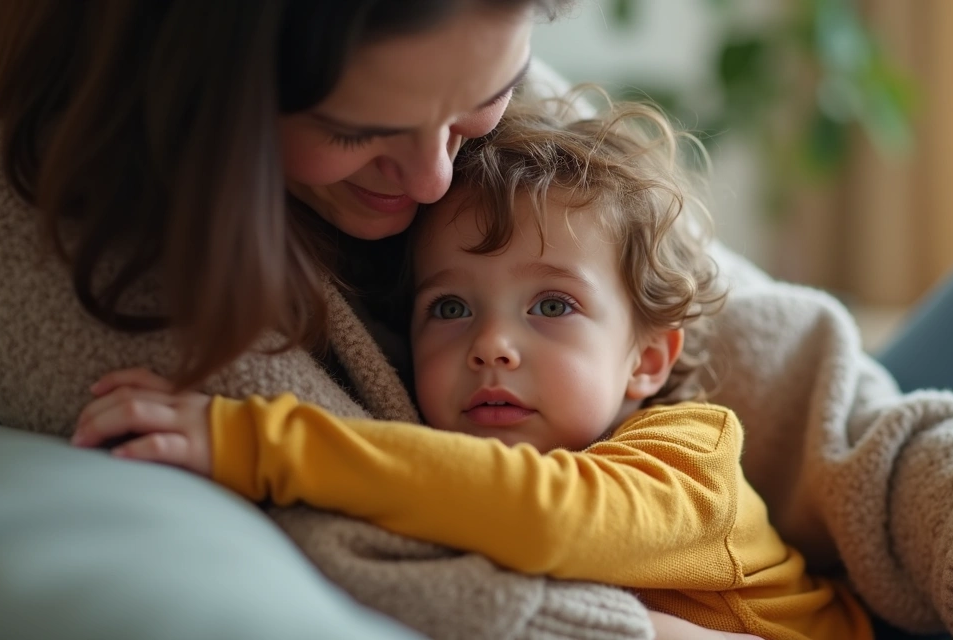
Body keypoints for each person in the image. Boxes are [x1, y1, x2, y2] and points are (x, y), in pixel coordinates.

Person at [0, 1, 953, 639]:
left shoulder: (677, 440)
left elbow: (782, 376)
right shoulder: (28, 225)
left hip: (842, 585)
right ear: (205, 86)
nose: (443, 184)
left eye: (485, 107)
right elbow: (377, 555)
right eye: (359, 134)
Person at [71, 97, 877, 640]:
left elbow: (546, 517)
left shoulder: (691, 460)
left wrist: (260, 444)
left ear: (647, 359)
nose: (491, 345)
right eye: (450, 308)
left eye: (552, 307)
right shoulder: (438, 454)